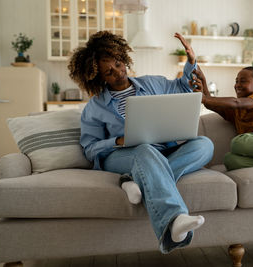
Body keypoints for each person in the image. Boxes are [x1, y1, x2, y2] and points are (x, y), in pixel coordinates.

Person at [67, 31, 214, 253]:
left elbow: (183, 86)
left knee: (205, 145)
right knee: (144, 148)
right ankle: (175, 219)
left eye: (118, 63)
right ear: (99, 78)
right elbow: (89, 149)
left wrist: (191, 61)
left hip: (163, 151)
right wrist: (118, 140)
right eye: (109, 72)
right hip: (122, 156)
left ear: (122, 57)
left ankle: (134, 181)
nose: (118, 72)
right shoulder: (95, 107)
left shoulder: (152, 83)